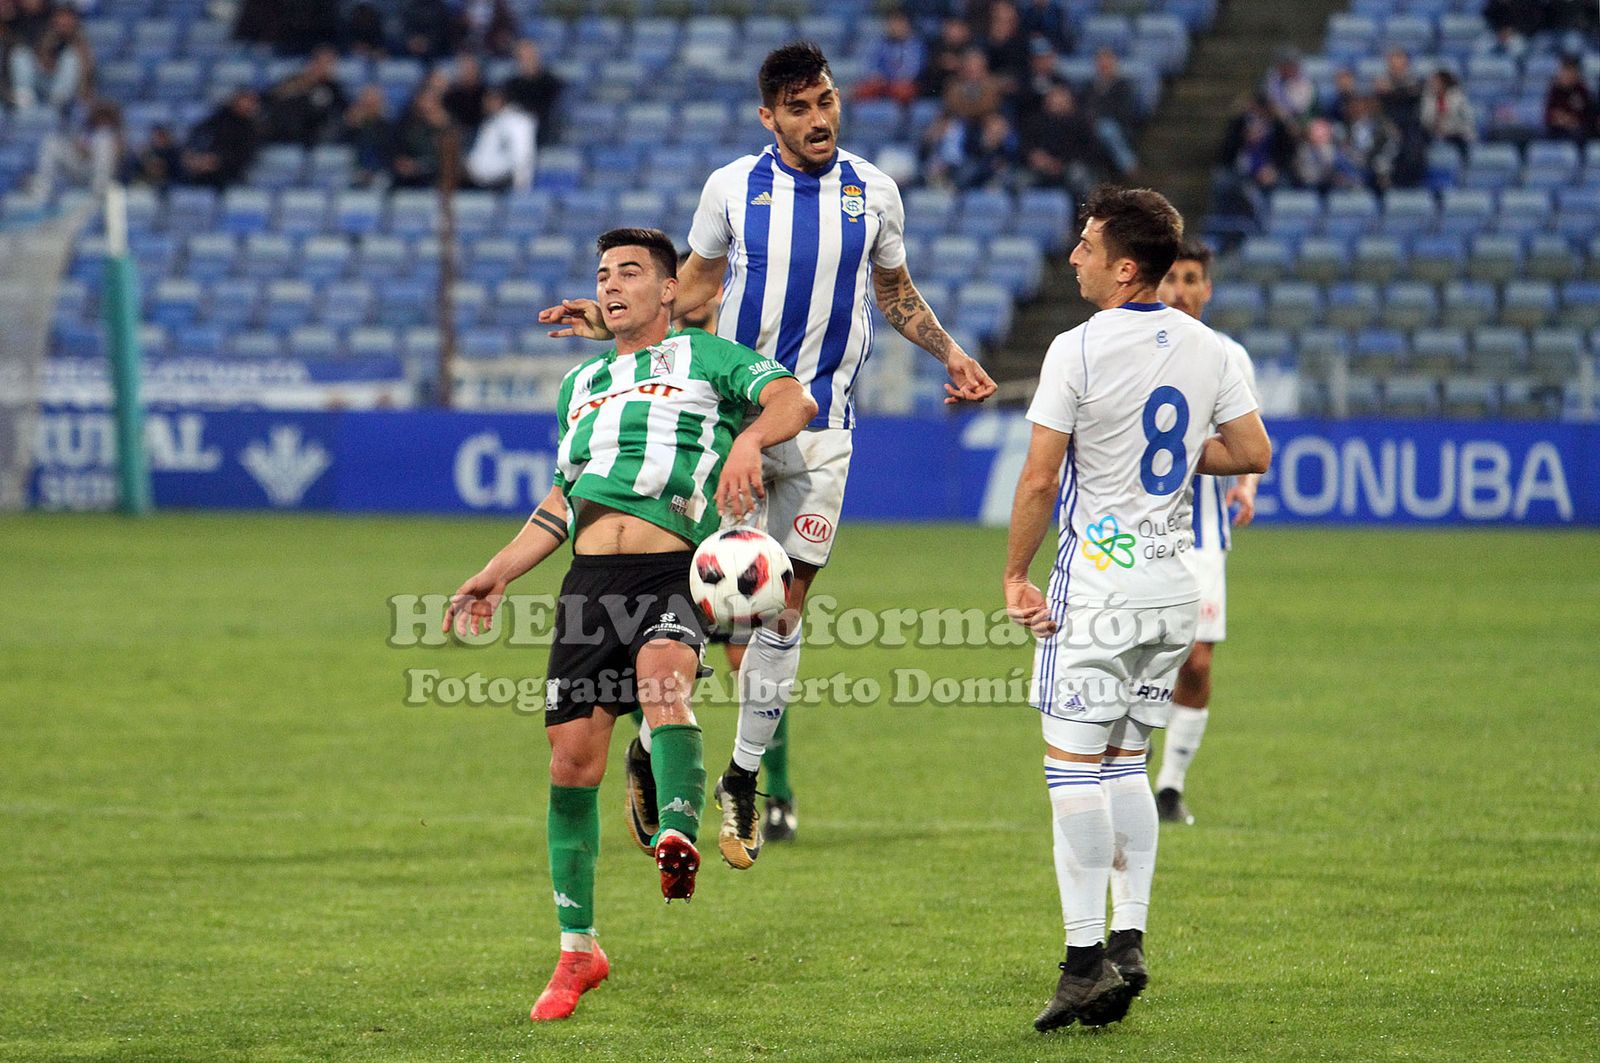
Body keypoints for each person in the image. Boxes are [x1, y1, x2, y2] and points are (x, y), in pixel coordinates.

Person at [540, 43, 995, 865]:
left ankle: (744, 776)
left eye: (825, 101)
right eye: (798, 107)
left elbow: (891, 292)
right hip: (731, 413)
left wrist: (951, 353)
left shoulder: (875, 192)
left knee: (781, 608)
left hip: (823, 430)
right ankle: (655, 732)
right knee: (696, 594)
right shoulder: (730, 189)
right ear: (768, 117)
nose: (818, 118)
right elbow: (698, 292)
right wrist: (619, 322)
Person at [444, 228, 817, 1022]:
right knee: (571, 761)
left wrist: (749, 439)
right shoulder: (579, 383)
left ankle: (678, 833)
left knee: (662, 681)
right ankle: (578, 950)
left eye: (631, 273)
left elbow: (795, 399)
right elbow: (561, 501)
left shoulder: (706, 358)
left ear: (670, 290)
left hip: (675, 565)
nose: (612, 286)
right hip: (590, 577)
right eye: (604, 273)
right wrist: (497, 571)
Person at [1003, 186, 1270, 1032]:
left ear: (1124, 267)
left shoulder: (1075, 350)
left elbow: (1042, 477)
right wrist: (1184, 456)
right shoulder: (1210, 345)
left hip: (1100, 585)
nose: (1074, 257)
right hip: (1169, 585)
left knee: (1071, 774)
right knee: (1124, 766)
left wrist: (1015, 573)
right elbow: (1253, 449)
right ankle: (1129, 939)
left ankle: (1082, 958)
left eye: (1086, 246)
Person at [1150, 241, 1261, 825]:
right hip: (1134, 532)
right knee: (1139, 657)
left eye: (1191, 278)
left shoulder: (1228, 356)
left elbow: (1250, 442)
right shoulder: (1136, 346)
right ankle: (1124, 772)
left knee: (1195, 663)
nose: (1180, 289)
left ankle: (1169, 787)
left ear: (1207, 288)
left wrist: (1246, 487)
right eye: (1170, 277)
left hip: (1202, 536)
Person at [9, 3, 90, 112]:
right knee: (20, 54)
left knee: (71, 57)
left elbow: (87, 73)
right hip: (41, 79)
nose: (64, 22)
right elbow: (40, 58)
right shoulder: (46, 35)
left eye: (68, 19)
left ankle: (57, 103)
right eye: (61, 18)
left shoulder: (81, 42)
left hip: (67, 90)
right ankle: (25, 97)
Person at [263, 46, 348, 147]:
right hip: (284, 131)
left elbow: (343, 110)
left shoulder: (334, 88)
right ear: (312, 62)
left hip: (316, 136)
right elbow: (270, 98)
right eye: (322, 62)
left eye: (330, 64)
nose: (325, 67)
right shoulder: (294, 81)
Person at [180, 89, 263, 189]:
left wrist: (217, 161)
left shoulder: (250, 129)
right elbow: (198, 132)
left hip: (227, 173)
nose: (246, 104)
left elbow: (244, 155)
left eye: (250, 102)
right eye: (243, 100)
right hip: (201, 166)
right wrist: (193, 156)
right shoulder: (220, 117)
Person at [463, 87, 535, 191]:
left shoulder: (519, 121)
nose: (485, 105)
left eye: (489, 100)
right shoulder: (490, 120)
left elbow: (523, 156)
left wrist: (521, 188)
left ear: (499, 100)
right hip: (478, 178)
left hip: (501, 181)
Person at [1084, 48, 1139, 176]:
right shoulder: (1090, 86)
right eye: (1100, 62)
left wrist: (1099, 115)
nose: (1103, 65)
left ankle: (1129, 166)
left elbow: (1124, 110)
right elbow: (1084, 106)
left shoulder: (1123, 85)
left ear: (1114, 63)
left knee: (1107, 130)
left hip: (1116, 123)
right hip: (1091, 123)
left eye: (1107, 61)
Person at [856, 8, 923, 106]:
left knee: (904, 91)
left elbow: (913, 69)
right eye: (892, 23)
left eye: (899, 23)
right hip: (882, 82)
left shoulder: (915, 45)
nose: (894, 27)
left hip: (902, 83)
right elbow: (871, 64)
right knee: (859, 91)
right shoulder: (879, 44)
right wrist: (877, 76)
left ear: (907, 25)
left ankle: (904, 119)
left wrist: (896, 78)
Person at [503, 38, 563, 145]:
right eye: (523, 56)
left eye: (530, 55)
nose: (528, 59)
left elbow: (553, 108)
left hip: (542, 128)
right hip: (516, 129)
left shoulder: (551, 82)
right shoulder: (511, 84)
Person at [1419, 69, 1476, 156]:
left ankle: (1463, 166)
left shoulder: (1458, 97)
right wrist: (1435, 124)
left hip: (1455, 131)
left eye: (1436, 82)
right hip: (1433, 131)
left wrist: (1449, 128)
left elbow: (1467, 118)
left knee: (1462, 140)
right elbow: (1425, 118)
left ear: (1444, 83)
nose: (1433, 85)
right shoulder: (1428, 97)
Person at [1544, 54, 1594, 143]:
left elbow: (1587, 117)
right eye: (1565, 71)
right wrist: (1565, 120)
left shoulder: (1582, 90)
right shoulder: (1554, 90)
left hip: (1579, 133)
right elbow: (1549, 116)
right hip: (1556, 131)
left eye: (1571, 71)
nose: (1567, 75)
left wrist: (1571, 120)